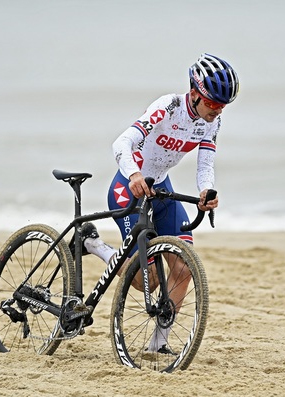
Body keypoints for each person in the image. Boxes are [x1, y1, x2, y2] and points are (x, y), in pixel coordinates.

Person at [81, 53, 239, 353]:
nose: (218, 111)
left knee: (184, 268)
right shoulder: (168, 107)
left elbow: (205, 164)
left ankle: (157, 345)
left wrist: (207, 191)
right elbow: (121, 143)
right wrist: (134, 174)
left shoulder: (210, 123)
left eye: (223, 106)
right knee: (148, 281)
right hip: (130, 189)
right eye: (214, 104)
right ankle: (95, 246)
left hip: (162, 190)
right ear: (194, 94)